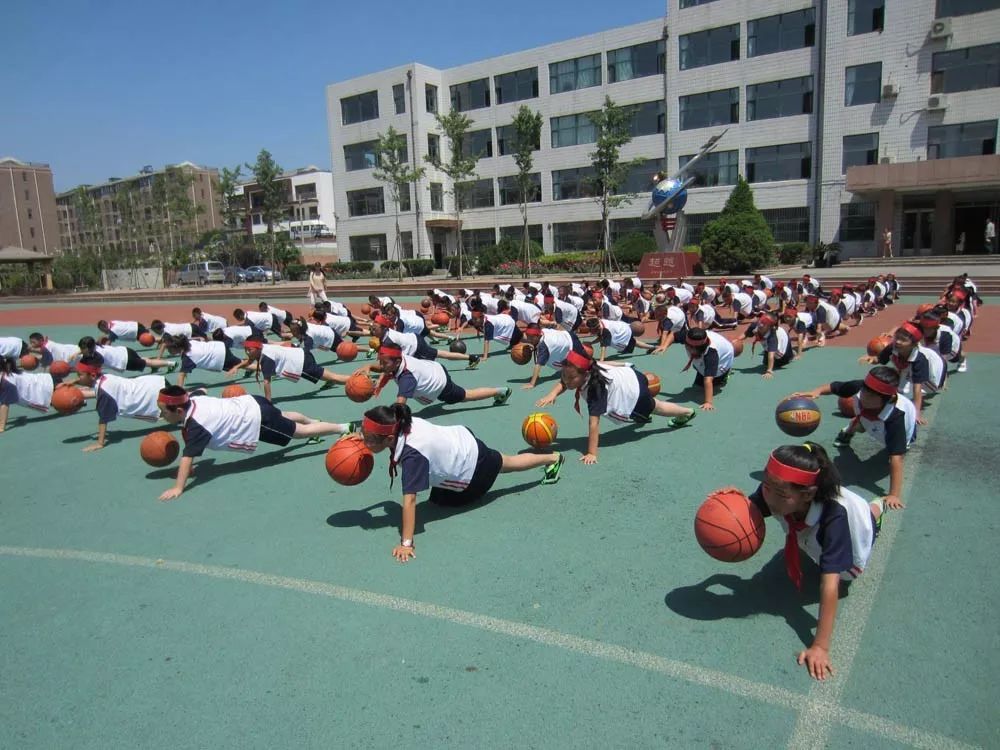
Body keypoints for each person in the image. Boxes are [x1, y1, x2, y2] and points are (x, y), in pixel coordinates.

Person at [741, 442, 882, 680]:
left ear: (807, 495)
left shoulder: (834, 519)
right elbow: (748, 507)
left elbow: (830, 585)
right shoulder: (775, 490)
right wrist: (728, 503)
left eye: (780, 493)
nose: (768, 496)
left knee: (868, 517)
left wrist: (820, 646)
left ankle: (879, 507)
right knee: (804, 538)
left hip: (853, 542)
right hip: (809, 527)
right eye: (766, 486)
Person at [359, 402, 564, 562]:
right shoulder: (401, 420)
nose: (364, 441)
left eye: (368, 439)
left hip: (473, 466)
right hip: (462, 440)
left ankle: (553, 458)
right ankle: (538, 459)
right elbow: (389, 504)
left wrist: (406, 543)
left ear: (388, 439)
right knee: (440, 497)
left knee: (505, 464)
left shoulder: (413, 457)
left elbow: (410, 500)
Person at [155, 385, 353, 501]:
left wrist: (178, 487)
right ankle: (314, 422)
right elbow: (201, 389)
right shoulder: (193, 399)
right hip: (252, 401)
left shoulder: (197, 425)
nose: (161, 415)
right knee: (283, 415)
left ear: (179, 411)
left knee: (299, 433)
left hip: (257, 418)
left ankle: (342, 428)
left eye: (164, 412)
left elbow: (188, 456)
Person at [539, 350, 695, 464]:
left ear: (585, 375)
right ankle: (645, 412)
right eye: (564, 375)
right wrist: (553, 394)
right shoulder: (589, 367)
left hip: (634, 393)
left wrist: (592, 453)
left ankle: (687, 411)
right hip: (630, 374)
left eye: (571, 377)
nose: (566, 380)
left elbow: (594, 423)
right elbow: (565, 382)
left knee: (656, 407)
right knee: (647, 410)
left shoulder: (595, 389)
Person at [794, 366, 915, 509]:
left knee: (892, 450)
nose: (864, 396)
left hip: (896, 431)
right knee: (863, 421)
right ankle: (851, 429)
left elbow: (896, 458)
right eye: (864, 391)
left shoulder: (896, 418)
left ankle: (854, 426)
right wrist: (816, 391)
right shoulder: (861, 388)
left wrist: (894, 494)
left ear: (885, 399)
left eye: (870, 396)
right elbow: (835, 387)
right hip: (870, 417)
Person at [72, 353, 166, 452]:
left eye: (79, 375)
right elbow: (89, 380)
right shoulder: (104, 377)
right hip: (153, 383)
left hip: (152, 396)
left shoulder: (103, 392)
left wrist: (100, 443)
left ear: (92, 375)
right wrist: (73, 382)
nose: (78, 377)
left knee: (177, 416)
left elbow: (103, 419)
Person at [373, 343, 510, 410]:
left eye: (384, 363)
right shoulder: (399, 359)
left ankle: (500, 391)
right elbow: (388, 371)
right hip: (434, 369)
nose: (381, 365)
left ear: (397, 362)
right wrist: (380, 382)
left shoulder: (406, 378)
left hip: (440, 383)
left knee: (467, 395)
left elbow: (399, 407)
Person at [862, 321, 945, 425]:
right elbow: (880, 359)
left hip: (933, 376)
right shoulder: (893, 347)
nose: (898, 342)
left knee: (902, 398)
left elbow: (917, 387)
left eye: (903, 340)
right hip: (908, 368)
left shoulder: (920, 359)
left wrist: (916, 413)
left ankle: (943, 379)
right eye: (897, 337)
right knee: (897, 388)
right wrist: (871, 359)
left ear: (914, 344)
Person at [231, 335, 351, 401]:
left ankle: (357, 380)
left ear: (257, 348)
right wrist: (237, 366)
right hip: (301, 354)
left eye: (249, 350)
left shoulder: (267, 358)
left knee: (333, 377)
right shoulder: (262, 349)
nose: (247, 352)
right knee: (328, 376)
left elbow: (267, 382)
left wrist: (268, 402)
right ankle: (331, 381)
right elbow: (249, 361)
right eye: (246, 349)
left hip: (301, 363)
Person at [0, 355, 59, 432]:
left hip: (48, 389)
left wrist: (1, 427)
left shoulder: (6, 382)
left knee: (70, 402)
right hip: (46, 381)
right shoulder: (5, 372)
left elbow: (4, 406)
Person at [681, 328, 734, 411]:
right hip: (708, 353)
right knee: (699, 383)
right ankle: (703, 368)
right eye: (689, 345)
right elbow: (673, 335)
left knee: (712, 380)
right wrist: (664, 346)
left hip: (724, 360)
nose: (690, 348)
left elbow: (708, 380)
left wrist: (708, 402)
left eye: (694, 347)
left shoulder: (711, 353)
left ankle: (725, 375)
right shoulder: (689, 336)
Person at [165, 334, 242, 388]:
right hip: (218, 346)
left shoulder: (188, 358)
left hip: (219, 354)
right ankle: (251, 366)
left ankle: (253, 367)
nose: (168, 350)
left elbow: (181, 376)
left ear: (176, 347)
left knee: (243, 364)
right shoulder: (186, 342)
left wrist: (179, 393)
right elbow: (199, 339)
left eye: (169, 348)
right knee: (241, 363)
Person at [78, 336, 176, 374]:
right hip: (125, 351)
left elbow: (96, 369)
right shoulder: (96, 346)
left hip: (126, 360)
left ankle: (171, 363)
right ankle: (160, 365)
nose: (81, 351)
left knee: (147, 362)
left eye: (83, 349)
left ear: (89, 348)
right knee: (144, 360)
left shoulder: (97, 356)